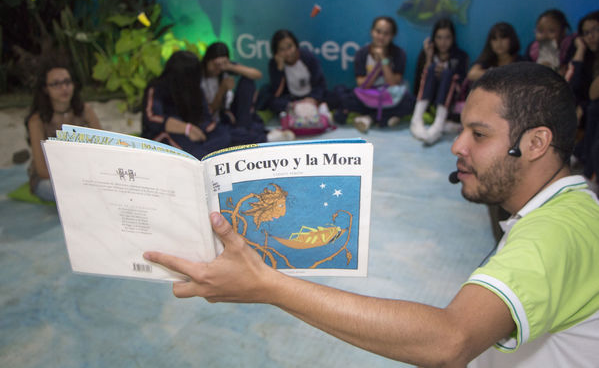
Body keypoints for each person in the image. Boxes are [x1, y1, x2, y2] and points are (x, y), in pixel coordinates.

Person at [144, 62, 599, 367]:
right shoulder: (572, 208)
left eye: (478, 134)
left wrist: (266, 284)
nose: (458, 146)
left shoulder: (553, 235)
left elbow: (450, 340)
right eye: (463, 129)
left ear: (536, 143)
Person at [26, 58, 101, 202]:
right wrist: (75, 179)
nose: (64, 88)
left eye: (67, 82)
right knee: (69, 194)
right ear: (45, 89)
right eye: (56, 84)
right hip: (51, 177)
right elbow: (42, 170)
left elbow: (105, 147)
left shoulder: (85, 111)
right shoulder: (37, 121)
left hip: (85, 173)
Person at [141, 50, 232, 159]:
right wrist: (186, 128)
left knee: (224, 135)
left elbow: (205, 117)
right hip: (167, 134)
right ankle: (201, 158)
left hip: (196, 137)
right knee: (192, 152)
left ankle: (206, 156)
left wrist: (203, 130)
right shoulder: (157, 88)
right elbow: (151, 118)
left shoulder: (195, 89)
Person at [201, 42, 294, 142]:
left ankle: (244, 129)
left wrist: (229, 66)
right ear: (208, 60)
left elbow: (257, 74)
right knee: (225, 135)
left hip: (231, 116)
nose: (218, 68)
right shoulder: (200, 78)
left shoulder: (224, 70)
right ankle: (265, 137)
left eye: (222, 64)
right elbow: (210, 111)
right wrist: (222, 89)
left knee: (247, 81)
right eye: (216, 64)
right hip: (213, 121)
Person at [341, 16, 415, 133]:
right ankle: (385, 118)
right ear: (372, 32)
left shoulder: (399, 54)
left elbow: (393, 83)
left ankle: (369, 118)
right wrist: (376, 67)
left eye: (386, 33)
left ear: (392, 36)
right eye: (378, 32)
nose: (381, 37)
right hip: (368, 95)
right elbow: (362, 84)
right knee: (345, 98)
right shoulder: (362, 53)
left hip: (388, 96)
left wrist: (383, 59)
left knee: (409, 102)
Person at [411, 18, 469, 145]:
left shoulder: (460, 56)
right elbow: (418, 81)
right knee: (431, 69)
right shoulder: (427, 53)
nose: (443, 42)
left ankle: (438, 123)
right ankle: (416, 119)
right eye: (439, 37)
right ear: (434, 38)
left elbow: (462, 85)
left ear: (453, 38)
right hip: (429, 98)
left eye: (447, 37)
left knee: (448, 73)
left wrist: (445, 73)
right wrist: (429, 57)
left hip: (450, 102)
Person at [263, 29, 329, 118]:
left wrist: (313, 98)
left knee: (335, 96)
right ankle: (297, 109)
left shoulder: (308, 58)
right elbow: (276, 93)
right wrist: (280, 69)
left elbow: (320, 84)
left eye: (290, 47)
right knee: (270, 101)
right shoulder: (274, 63)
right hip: (292, 100)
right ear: (276, 52)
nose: (287, 52)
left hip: (310, 97)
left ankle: (311, 108)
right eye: (282, 49)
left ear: (296, 45)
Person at [569, 10, 599, 189]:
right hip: (589, 111)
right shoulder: (589, 57)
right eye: (586, 33)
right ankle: (581, 157)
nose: (591, 37)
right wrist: (580, 50)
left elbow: (594, 94)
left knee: (594, 107)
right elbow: (573, 87)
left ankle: (587, 167)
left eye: (595, 30)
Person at [524, 9, 574, 75]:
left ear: (563, 32)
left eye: (551, 31)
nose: (545, 36)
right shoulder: (531, 49)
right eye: (540, 31)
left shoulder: (571, 47)